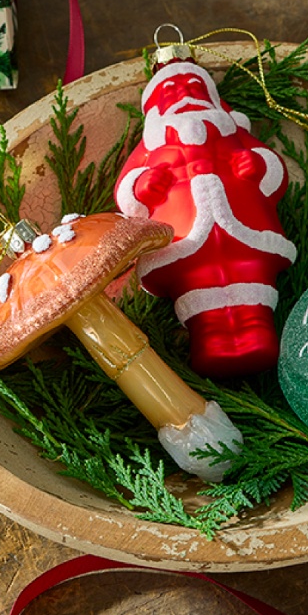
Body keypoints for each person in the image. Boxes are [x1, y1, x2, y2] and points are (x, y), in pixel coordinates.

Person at [115, 58, 296, 377]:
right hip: (183, 240)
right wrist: (142, 187)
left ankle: (258, 332)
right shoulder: (150, 145)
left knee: (249, 275)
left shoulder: (232, 132)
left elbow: (272, 170)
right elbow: (126, 191)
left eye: (194, 87)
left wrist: (257, 167)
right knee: (196, 282)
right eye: (171, 90)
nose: (185, 93)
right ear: (156, 106)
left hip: (246, 229)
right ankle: (210, 340)